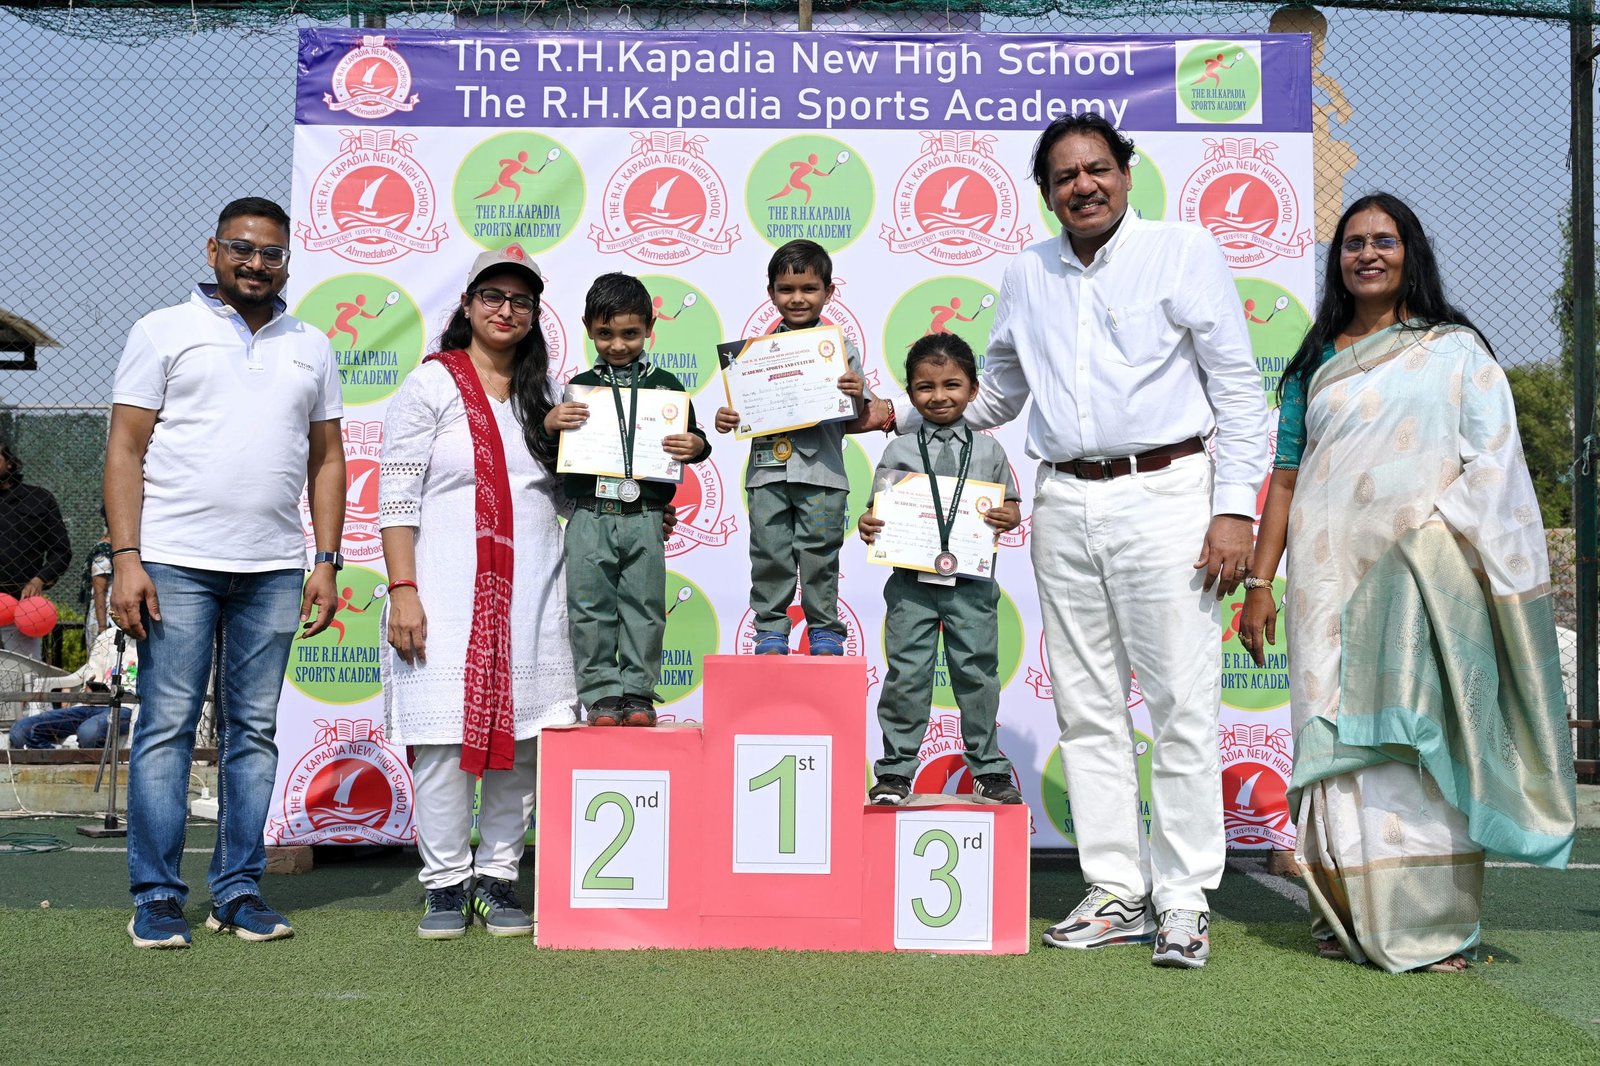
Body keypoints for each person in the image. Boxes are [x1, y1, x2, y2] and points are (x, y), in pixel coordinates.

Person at [873, 115, 1270, 968]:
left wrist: (1236, 509)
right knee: (1087, 707)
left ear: (1126, 172)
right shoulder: (1028, 271)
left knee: (1181, 704)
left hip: (1169, 494)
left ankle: (1184, 897)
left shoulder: (1183, 251)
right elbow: (995, 394)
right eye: (1064, 177)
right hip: (1061, 498)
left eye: (1097, 169)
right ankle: (1117, 888)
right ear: (1047, 193)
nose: (1083, 185)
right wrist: (890, 414)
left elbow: (1239, 390)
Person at [1238, 193, 1577, 973]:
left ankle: (1427, 923)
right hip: (1326, 582)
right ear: (1338, 261)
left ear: (1409, 252)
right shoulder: (1314, 361)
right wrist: (1260, 582)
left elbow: (1495, 464)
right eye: (1353, 243)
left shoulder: (1455, 352)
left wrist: (1429, 544)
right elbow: (1285, 476)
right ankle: (1342, 911)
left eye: (1383, 241)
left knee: (1414, 736)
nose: (1367, 254)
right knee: (1333, 731)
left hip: (1422, 579)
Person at [106, 197, 345, 949]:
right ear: (213, 251)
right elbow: (124, 449)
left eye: (271, 253)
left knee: (254, 734)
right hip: (173, 562)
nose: (255, 263)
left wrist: (326, 559)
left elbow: (328, 459)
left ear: (286, 262)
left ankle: (238, 892)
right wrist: (126, 558)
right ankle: (156, 897)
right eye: (241, 248)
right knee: (167, 729)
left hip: (274, 568)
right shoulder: (161, 330)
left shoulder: (312, 344)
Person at [379, 245, 581, 940]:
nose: (505, 310)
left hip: (531, 585)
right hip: (443, 586)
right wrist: (403, 589)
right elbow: (396, 499)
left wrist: (638, 501)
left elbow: (571, 493)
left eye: (521, 300)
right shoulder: (431, 385)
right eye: (492, 296)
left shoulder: (547, 396)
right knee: (441, 742)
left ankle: (497, 877)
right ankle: (443, 883)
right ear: (467, 305)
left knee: (524, 739)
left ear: (534, 314)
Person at [858, 334, 1024, 807]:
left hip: (971, 584)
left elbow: (1011, 507)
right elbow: (875, 513)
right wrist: (868, 524)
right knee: (907, 674)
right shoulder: (899, 451)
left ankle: (988, 770)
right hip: (910, 586)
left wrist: (1009, 515)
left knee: (976, 673)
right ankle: (895, 772)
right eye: (925, 387)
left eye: (952, 385)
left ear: (973, 389)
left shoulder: (990, 453)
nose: (938, 396)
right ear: (910, 394)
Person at [544, 273, 710, 726]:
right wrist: (551, 424)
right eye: (605, 334)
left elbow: (695, 439)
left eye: (630, 334)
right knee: (588, 606)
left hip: (646, 515)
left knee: (645, 606)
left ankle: (638, 693)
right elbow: (553, 451)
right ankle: (601, 694)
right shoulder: (578, 388)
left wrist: (696, 445)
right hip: (589, 514)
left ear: (650, 328)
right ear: (587, 328)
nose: (617, 345)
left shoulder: (667, 386)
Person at [714, 240, 877, 656]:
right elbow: (743, 412)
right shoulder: (749, 357)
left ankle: (824, 630)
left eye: (809, 288)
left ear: (828, 292)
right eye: (786, 289)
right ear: (770, 293)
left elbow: (861, 413)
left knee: (820, 556)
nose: (797, 298)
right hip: (767, 474)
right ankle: (770, 629)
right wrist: (727, 417)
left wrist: (856, 392)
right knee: (769, 555)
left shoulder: (841, 350)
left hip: (822, 474)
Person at [0, 441, 72, 659]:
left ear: (10, 463)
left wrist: (40, 579)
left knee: (24, 671)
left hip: (22, 608)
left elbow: (61, 551)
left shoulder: (39, 499)